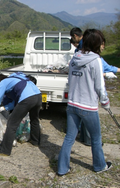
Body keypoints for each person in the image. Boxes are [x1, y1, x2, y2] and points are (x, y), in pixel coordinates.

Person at [57, 29, 112, 176]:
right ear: (96, 43)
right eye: (102, 43)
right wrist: (105, 103)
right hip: (88, 107)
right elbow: (100, 86)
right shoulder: (96, 60)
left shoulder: (75, 58)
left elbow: (70, 80)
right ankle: (100, 166)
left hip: (72, 105)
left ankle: (62, 168)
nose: (103, 46)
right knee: (96, 138)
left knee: (69, 137)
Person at [0, 72, 42, 156]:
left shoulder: (3, 82)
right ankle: (35, 141)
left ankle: (4, 150)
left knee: (12, 124)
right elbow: (15, 102)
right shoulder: (18, 78)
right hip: (38, 95)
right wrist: (5, 108)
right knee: (34, 119)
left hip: (27, 98)